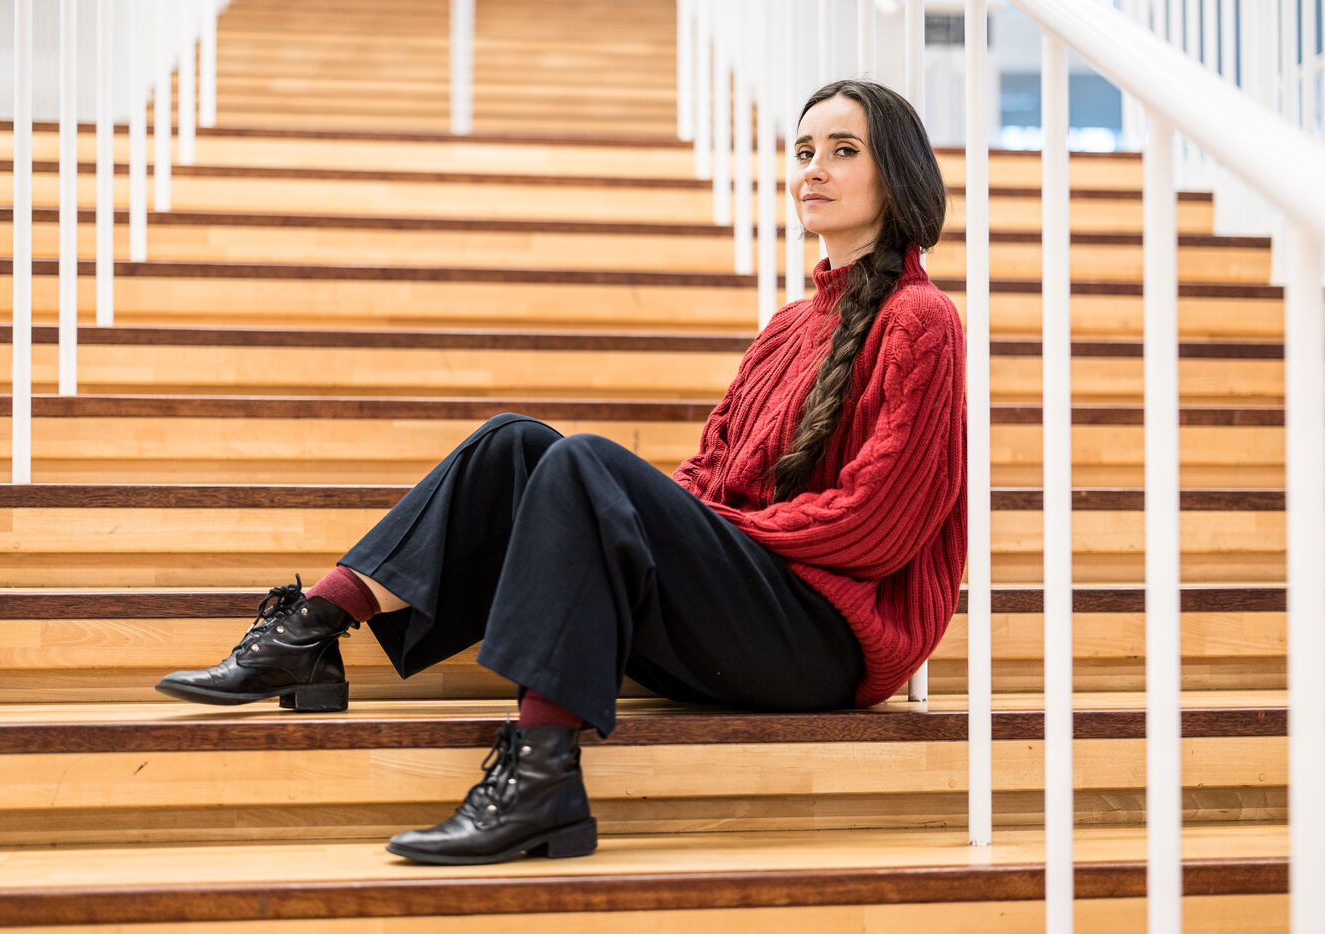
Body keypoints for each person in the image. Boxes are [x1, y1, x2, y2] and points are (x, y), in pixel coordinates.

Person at [155, 78, 967, 866]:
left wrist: (681, 527)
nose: (813, 169)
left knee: (585, 463)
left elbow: (877, 525)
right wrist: (647, 527)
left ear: (896, 174)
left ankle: (541, 776)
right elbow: (706, 473)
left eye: (843, 150)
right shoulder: (789, 325)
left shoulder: (920, 319)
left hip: (823, 641)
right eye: (804, 150)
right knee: (517, 445)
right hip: (738, 616)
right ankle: (313, 629)